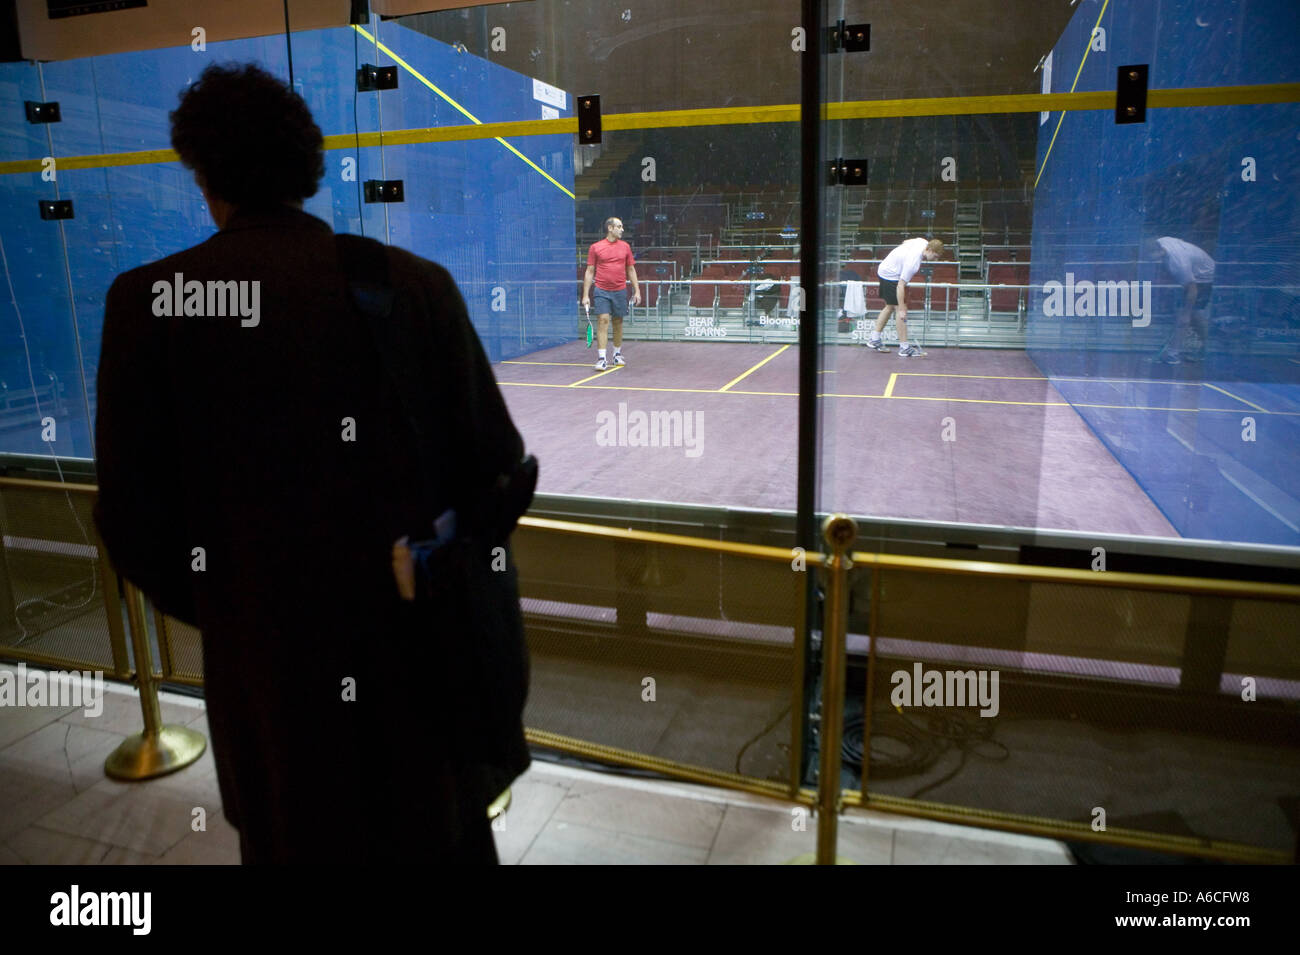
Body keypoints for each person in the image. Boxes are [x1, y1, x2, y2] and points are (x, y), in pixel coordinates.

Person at [92, 63, 531, 863]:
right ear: (308, 165)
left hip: (270, 695)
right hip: (419, 679)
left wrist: (240, 608)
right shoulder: (414, 287)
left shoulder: (150, 302)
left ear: (201, 172)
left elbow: (131, 519)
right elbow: (496, 470)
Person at [866, 237, 944, 357]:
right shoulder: (913, 263)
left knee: (890, 306)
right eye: (935, 256)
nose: (935, 260)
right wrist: (902, 309)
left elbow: (905, 242)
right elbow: (900, 286)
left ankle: (874, 339)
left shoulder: (922, 241)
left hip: (886, 268)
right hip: (890, 275)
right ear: (930, 250)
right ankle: (904, 347)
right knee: (900, 309)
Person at [581, 217, 640, 370]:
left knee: (618, 322)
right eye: (619, 226)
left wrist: (637, 290)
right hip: (601, 290)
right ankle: (602, 358)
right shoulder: (595, 247)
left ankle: (617, 354)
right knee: (603, 320)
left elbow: (631, 270)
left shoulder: (625, 247)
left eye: (622, 226)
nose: (622, 229)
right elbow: (589, 271)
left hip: (620, 290)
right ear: (610, 228)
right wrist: (585, 295)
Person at [1150, 236, 1216, 364]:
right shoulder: (1162, 241)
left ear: (1160, 251)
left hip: (1204, 279)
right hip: (1196, 274)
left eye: (1152, 258)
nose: (1151, 262)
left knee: (1187, 317)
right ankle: (1205, 351)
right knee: (1193, 316)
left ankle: (1173, 354)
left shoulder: (1179, 263)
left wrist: (1186, 313)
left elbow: (1193, 289)